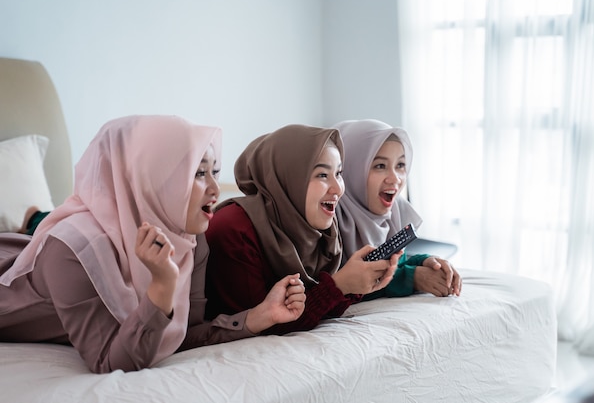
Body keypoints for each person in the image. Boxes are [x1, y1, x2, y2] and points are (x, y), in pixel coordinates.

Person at [0, 115, 305, 374]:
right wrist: (162, 287)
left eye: (214, 171)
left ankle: (31, 218)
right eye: (198, 173)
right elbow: (109, 362)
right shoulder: (72, 251)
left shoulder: (189, 237)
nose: (215, 189)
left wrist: (258, 316)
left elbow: (179, 334)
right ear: (153, 179)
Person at [203, 124, 400, 335]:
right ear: (289, 177)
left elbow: (321, 311)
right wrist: (339, 285)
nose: (338, 188)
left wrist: (355, 285)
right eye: (322, 175)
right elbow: (264, 325)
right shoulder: (234, 229)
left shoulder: (321, 232)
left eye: (339, 173)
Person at [333, 119, 462, 298]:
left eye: (400, 165)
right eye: (380, 166)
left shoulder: (394, 211)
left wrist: (425, 262)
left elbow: (394, 262)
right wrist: (411, 278)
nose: (395, 179)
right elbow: (339, 286)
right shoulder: (328, 218)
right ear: (350, 169)